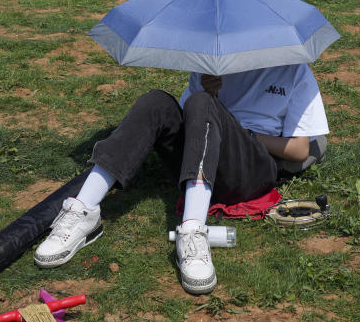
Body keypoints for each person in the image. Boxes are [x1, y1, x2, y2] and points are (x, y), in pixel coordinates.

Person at [34, 64, 330, 295]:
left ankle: (192, 231)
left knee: (202, 103)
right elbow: (193, 122)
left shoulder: (294, 69)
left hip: (252, 165)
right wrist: (209, 93)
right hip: (203, 154)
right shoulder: (211, 64)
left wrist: (239, 130)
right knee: (156, 101)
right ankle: (83, 210)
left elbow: (300, 149)